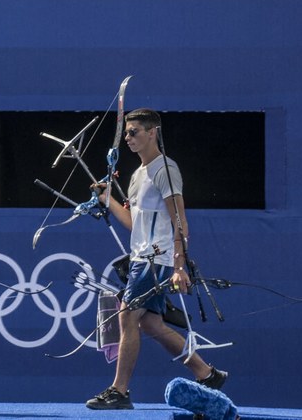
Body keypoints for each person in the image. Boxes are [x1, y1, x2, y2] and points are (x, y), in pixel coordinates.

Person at [85, 108, 227, 411]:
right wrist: (105, 199)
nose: (128, 138)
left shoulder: (165, 169)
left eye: (134, 132)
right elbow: (135, 224)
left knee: (127, 315)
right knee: (149, 323)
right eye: (126, 133)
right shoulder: (138, 175)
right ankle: (207, 373)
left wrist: (179, 265)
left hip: (157, 258)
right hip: (141, 258)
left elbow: (180, 220)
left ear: (152, 133)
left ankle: (119, 391)